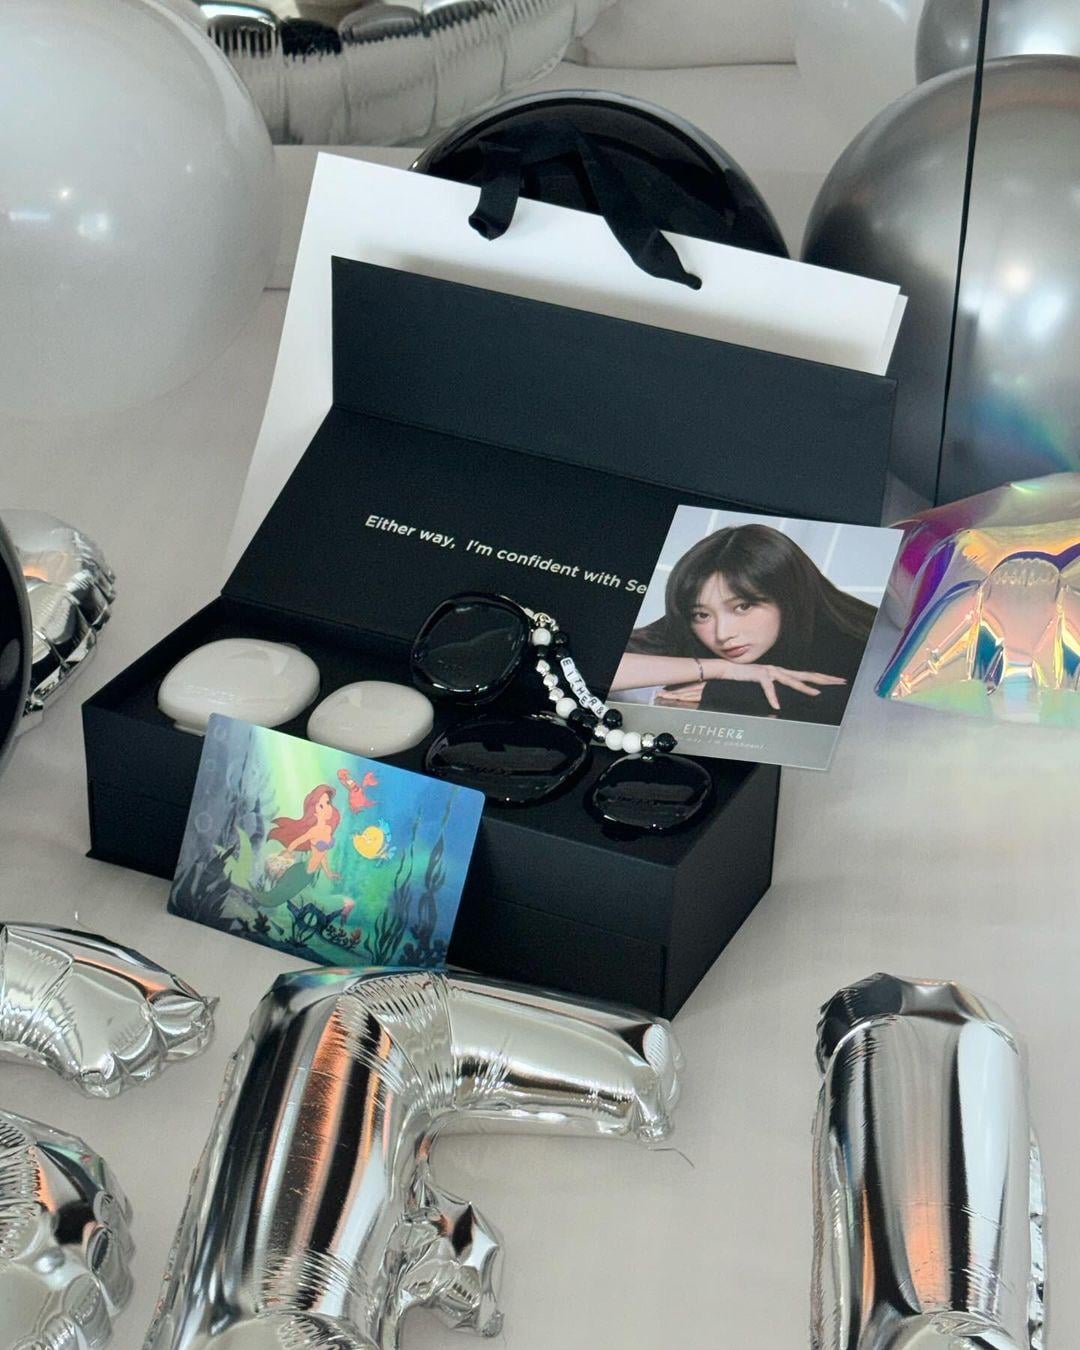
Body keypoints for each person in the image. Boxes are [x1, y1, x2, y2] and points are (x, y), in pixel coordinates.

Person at [611, 524, 877, 723]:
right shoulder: (683, 629)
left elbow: (870, 709)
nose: (722, 634)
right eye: (702, 615)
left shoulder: (856, 638)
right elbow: (597, 664)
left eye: (742, 607)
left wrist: (741, 692)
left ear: (788, 594)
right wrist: (723, 670)